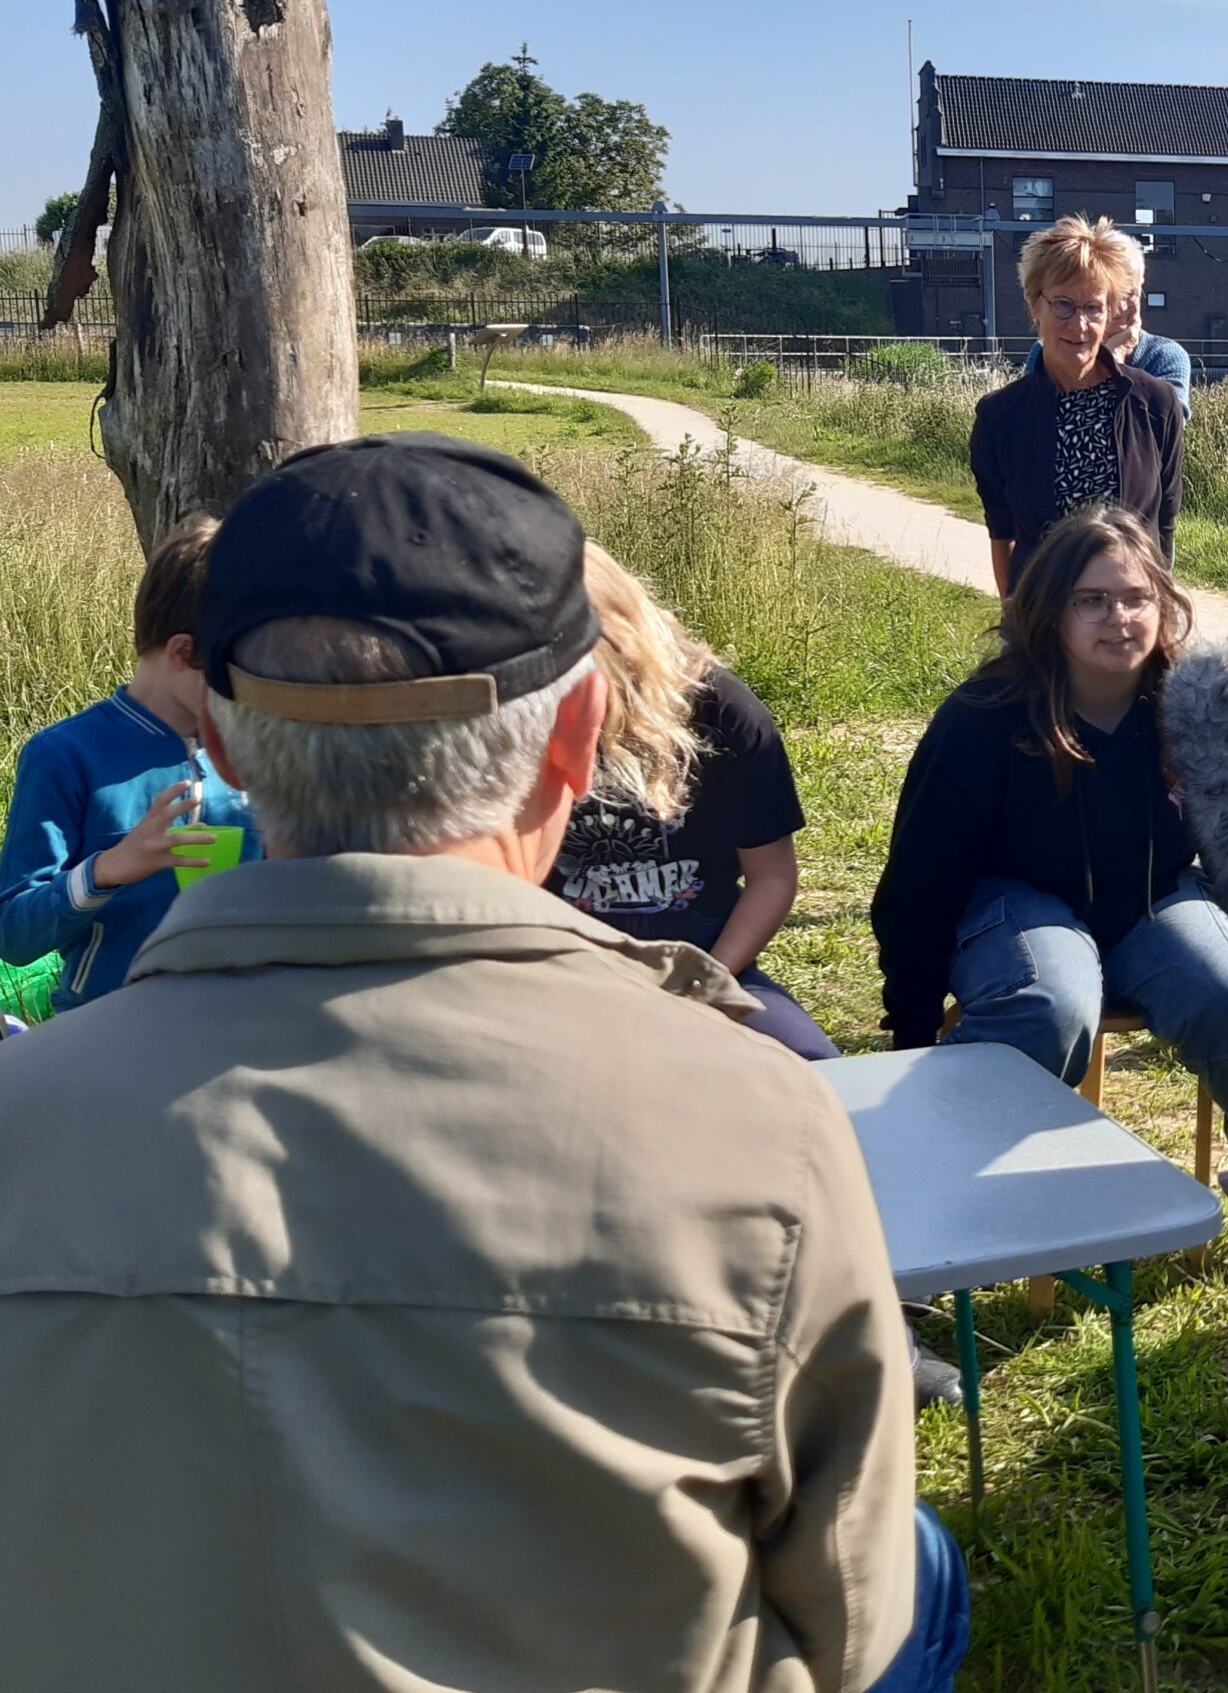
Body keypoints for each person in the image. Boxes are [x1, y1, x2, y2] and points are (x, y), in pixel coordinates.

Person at [0, 434, 965, 1693]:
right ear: (577, 737)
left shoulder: (24, 1119)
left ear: (227, 755)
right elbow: (854, 1620)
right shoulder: (757, 1125)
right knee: (929, 1569)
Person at [870, 502, 1228, 1160]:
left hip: (1155, 900)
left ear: (1163, 605)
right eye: (1093, 600)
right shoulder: (985, 717)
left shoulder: (1198, 710)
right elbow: (921, 874)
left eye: (1137, 598)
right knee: (1049, 1005)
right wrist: (910, 1022)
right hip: (1018, 903)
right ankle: (935, 1167)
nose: (1119, 618)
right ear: (1053, 611)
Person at [551, 540, 838, 1060]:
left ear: (622, 638)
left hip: (704, 954)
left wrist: (709, 985)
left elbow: (771, 877)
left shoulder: (724, 711)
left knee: (815, 1067)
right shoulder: (518, 712)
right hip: (564, 961)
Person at [0, 515, 261, 1009]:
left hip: (237, 1024)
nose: (249, 688)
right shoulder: (66, 755)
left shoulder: (258, 749)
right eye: (236, 669)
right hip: (107, 1023)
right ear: (183, 652)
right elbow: (13, 934)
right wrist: (110, 869)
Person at [970, 215, 1184, 594]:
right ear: (1036, 305)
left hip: (1128, 620)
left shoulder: (1155, 404)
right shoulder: (1000, 418)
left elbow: (1164, 525)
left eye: (1093, 308)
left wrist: (1158, 611)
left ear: (1110, 313)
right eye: (1064, 305)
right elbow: (1002, 533)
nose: (1079, 325)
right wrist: (1013, 617)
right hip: (1044, 624)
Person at [1023, 273, 1195, 415]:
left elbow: (1163, 431)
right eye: (1113, 295)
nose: (1121, 305)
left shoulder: (1165, 355)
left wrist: (1114, 362)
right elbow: (1032, 426)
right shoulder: (1047, 351)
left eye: (1130, 294)